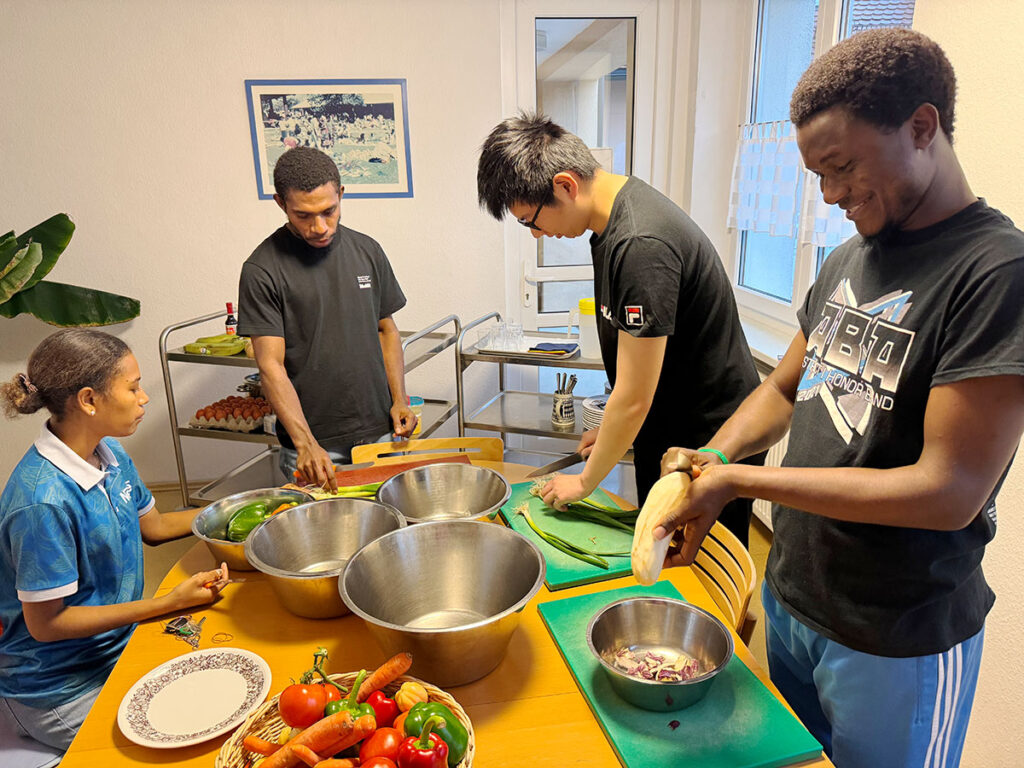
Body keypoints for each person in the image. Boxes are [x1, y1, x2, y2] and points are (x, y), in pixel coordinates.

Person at [651, 29, 1024, 768]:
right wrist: (712, 457)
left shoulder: (995, 272)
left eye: (842, 166)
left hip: (896, 635)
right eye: (816, 173)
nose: (829, 195)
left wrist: (741, 481)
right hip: (796, 602)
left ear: (923, 128)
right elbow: (788, 386)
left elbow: (947, 490)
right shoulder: (852, 256)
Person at [477, 113, 762, 544]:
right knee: (661, 552)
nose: (535, 235)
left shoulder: (639, 243)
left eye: (529, 220)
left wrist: (585, 481)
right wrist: (612, 426)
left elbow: (634, 397)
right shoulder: (609, 224)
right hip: (664, 421)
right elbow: (635, 366)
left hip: (708, 434)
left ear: (566, 186)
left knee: (698, 569)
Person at [0, 330, 229, 768]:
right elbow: (49, 624)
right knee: (185, 746)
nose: (144, 398)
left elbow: (156, 526)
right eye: (133, 387)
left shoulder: (110, 454)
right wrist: (165, 604)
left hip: (115, 650)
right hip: (59, 688)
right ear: (89, 399)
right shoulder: (42, 500)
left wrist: (243, 506)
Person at [238, 146, 416, 491]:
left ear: (341, 195)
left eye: (329, 211)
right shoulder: (262, 269)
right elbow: (270, 366)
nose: (319, 226)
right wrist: (306, 444)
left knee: (390, 534)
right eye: (303, 215)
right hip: (314, 447)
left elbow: (386, 330)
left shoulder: (368, 251)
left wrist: (399, 399)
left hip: (381, 434)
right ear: (280, 204)